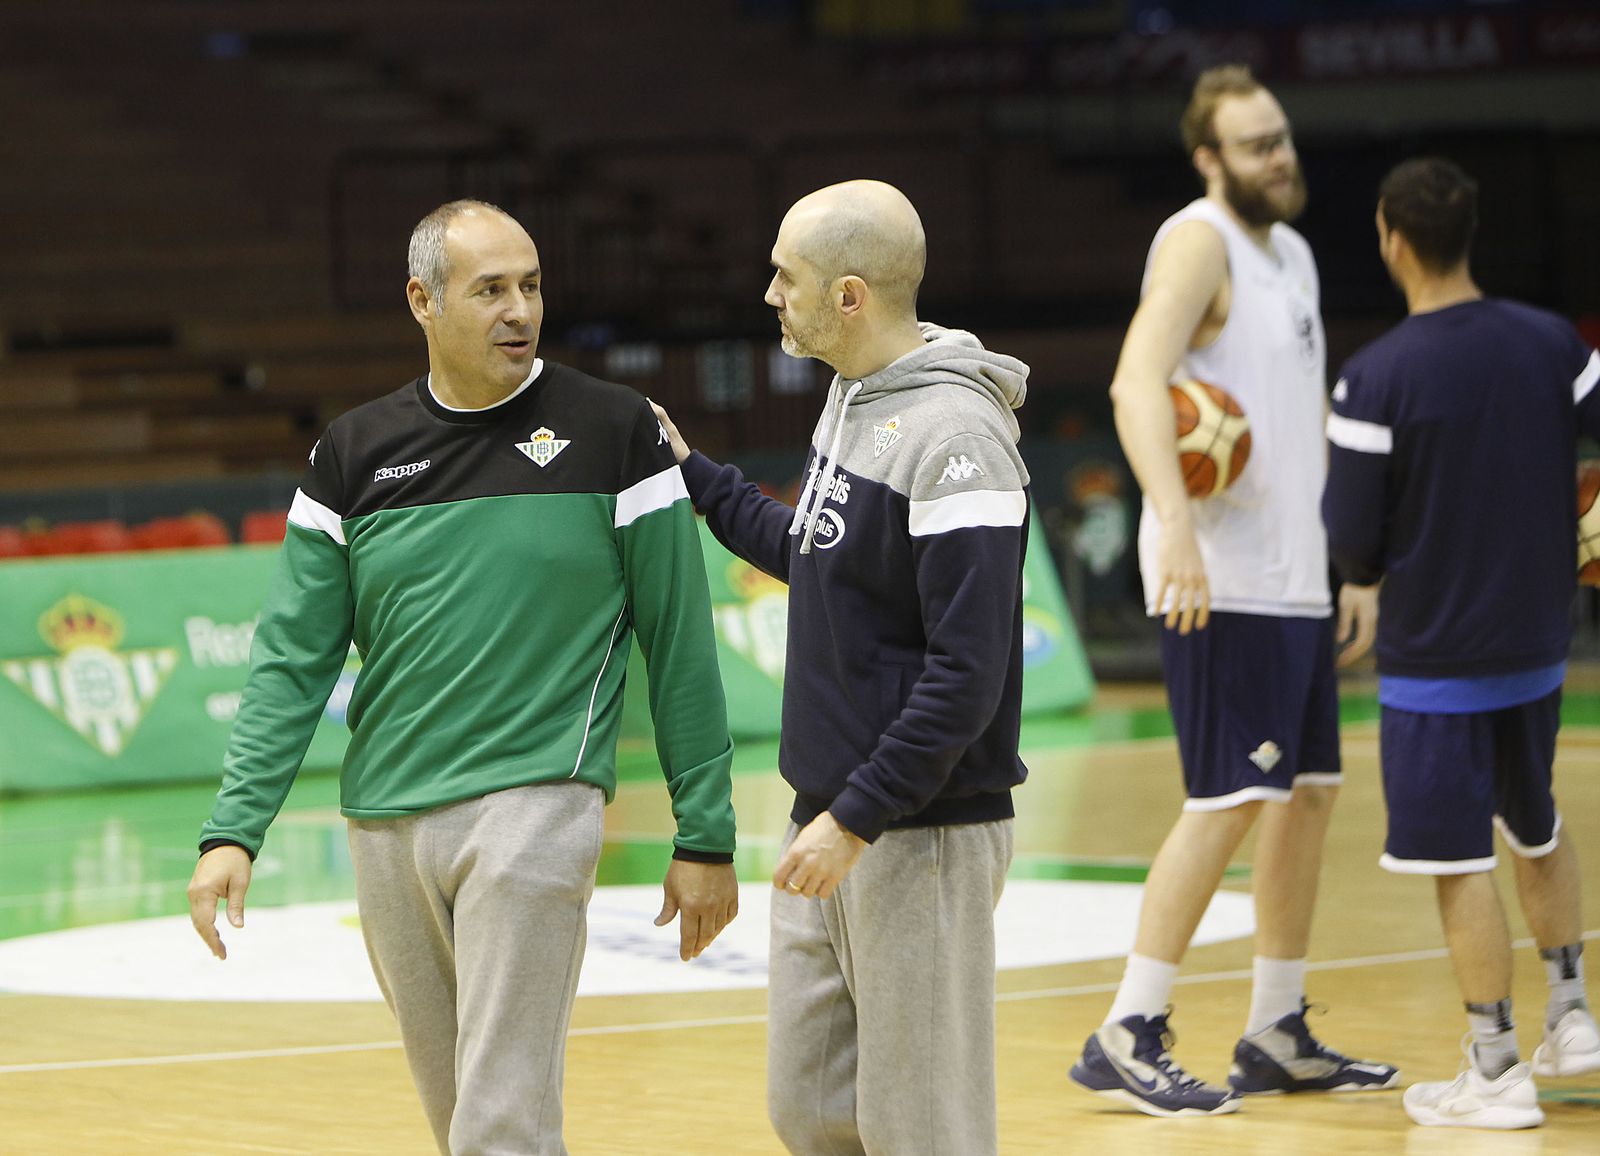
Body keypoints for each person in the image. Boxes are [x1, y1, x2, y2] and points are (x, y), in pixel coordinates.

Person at [186, 199, 739, 1156]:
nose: (519, 309)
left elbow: (680, 640)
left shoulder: (615, 433)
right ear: (422, 300)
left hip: (538, 805)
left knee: (501, 1120)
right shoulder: (351, 455)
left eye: (530, 286)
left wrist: (707, 833)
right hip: (386, 823)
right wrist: (235, 827)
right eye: (490, 290)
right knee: (460, 1119)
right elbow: (290, 659)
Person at [652, 179, 1027, 1156]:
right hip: (829, 810)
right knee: (813, 1107)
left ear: (849, 295)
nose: (771, 293)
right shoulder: (853, 397)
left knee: (922, 1126)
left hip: (915, 829)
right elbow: (819, 556)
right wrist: (697, 478)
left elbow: (968, 671)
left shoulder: (957, 441)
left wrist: (857, 818)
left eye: (788, 276)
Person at [1067, 64, 1398, 1117]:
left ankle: (1275, 1026)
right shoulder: (1197, 239)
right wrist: (1174, 525)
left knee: (1305, 796)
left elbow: (1298, 433)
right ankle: (1129, 1025)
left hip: (1296, 577)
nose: (1280, 157)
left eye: (1282, 138)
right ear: (1208, 158)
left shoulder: (1290, 252)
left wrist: (1347, 565)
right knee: (1227, 800)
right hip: (1223, 582)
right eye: (1255, 144)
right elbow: (1133, 382)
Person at [1323, 157, 1600, 1130]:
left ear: (1390, 237)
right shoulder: (1554, 344)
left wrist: (1360, 577)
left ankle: (1493, 1069)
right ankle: (1571, 1018)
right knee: (1537, 819)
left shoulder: (1373, 378)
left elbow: (1352, 537)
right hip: (1537, 641)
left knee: (1455, 859)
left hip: (1436, 660)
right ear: (1468, 230)